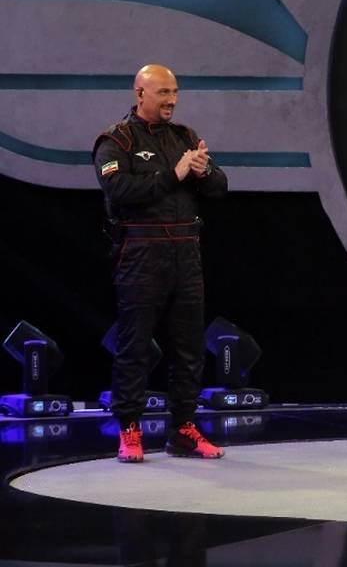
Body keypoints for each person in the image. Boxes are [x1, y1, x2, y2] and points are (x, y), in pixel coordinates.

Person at [93, 65, 228, 462]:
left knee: (189, 347)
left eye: (175, 92)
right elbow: (118, 188)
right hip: (140, 252)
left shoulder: (185, 136)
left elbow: (220, 188)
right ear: (140, 93)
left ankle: (183, 429)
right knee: (134, 345)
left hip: (186, 252)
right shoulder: (116, 140)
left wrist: (204, 172)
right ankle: (129, 429)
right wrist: (175, 174)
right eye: (163, 92)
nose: (171, 100)